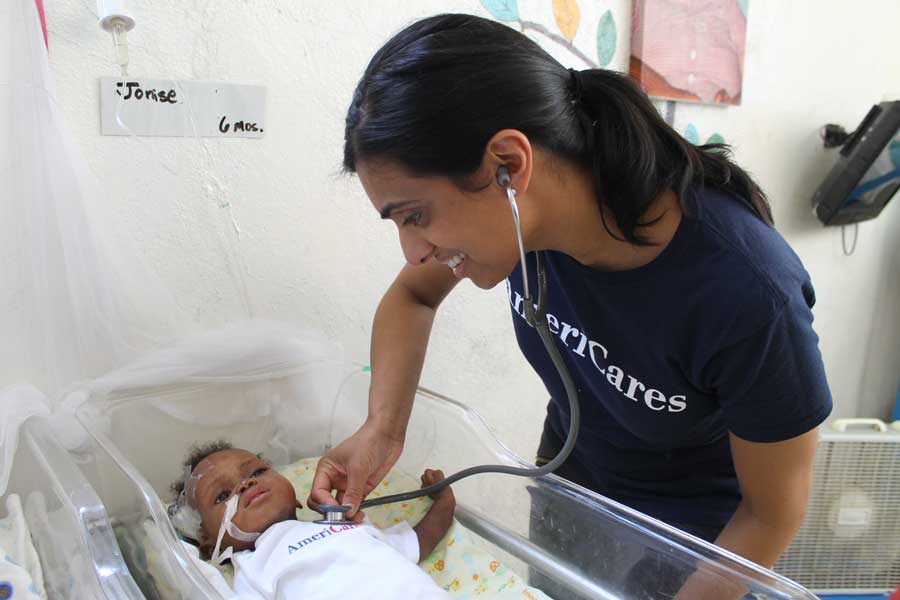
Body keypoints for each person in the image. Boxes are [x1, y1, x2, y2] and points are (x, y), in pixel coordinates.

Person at [310, 11, 832, 584]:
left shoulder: (746, 292)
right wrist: (383, 428)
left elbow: (772, 512)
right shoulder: (531, 225)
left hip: (697, 538)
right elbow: (413, 296)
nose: (413, 251)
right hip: (574, 483)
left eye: (415, 216)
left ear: (508, 166)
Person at [170, 442, 455, 599]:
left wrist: (444, 501)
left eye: (256, 471)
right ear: (209, 545)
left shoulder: (346, 524)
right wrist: (186, 563)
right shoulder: (254, 566)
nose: (245, 485)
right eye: (222, 496)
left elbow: (418, 541)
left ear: (295, 497)